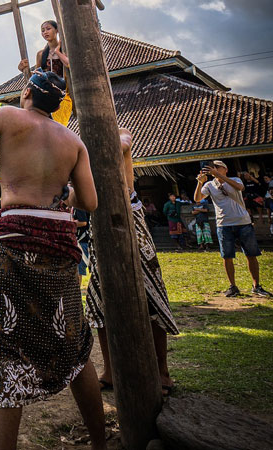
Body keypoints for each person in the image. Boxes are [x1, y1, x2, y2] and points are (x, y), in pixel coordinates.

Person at [0, 70, 106, 450]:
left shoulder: (8, 117)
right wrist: (62, 194)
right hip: (59, 240)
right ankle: (101, 443)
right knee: (74, 342)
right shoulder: (74, 142)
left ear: (28, 93)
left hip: (15, 235)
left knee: (4, 347)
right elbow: (90, 202)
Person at [84, 129, 179, 400]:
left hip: (130, 215)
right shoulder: (78, 140)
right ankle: (111, 370)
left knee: (151, 296)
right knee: (100, 299)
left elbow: (123, 143)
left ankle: (161, 371)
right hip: (98, 217)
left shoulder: (119, 133)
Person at [194, 161, 271, 297]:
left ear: (225, 169)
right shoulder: (209, 185)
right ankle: (233, 286)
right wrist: (200, 182)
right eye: (212, 167)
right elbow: (197, 199)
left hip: (243, 222)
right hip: (223, 224)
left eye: (217, 167)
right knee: (227, 256)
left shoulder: (234, 179)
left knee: (251, 255)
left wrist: (218, 175)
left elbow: (239, 188)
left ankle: (256, 285)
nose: (214, 169)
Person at [17, 20, 73, 126]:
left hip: (61, 96)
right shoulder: (41, 54)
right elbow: (36, 77)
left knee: (57, 127)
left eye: (48, 29)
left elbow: (69, 64)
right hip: (44, 95)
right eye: (42, 30)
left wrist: (57, 52)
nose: (45, 32)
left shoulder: (65, 50)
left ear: (56, 30)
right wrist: (23, 70)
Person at [73, 207, 91, 285]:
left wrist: (69, 223)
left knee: (79, 270)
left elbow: (83, 222)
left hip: (82, 240)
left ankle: (78, 292)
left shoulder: (78, 206)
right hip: (80, 240)